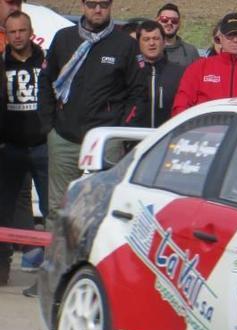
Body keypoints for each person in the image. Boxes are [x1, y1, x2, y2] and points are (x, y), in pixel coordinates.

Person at [38, 0, 146, 233]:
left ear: (111, 6)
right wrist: (49, 126)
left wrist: (119, 131)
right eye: (92, 4)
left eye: (103, 4)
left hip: (104, 142)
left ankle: (91, 267)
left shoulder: (125, 44)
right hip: (64, 137)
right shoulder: (63, 38)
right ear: (83, 5)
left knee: (100, 209)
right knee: (58, 209)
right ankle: (55, 265)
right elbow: (46, 81)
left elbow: (138, 92)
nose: (98, 9)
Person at [0, 10, 47, 291]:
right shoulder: (1, 64)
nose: (18, 36)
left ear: (31, 31)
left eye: (22, 30)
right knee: (3, 212)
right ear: (7, 34)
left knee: (52, 209)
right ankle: (2, 268)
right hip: (10, 146)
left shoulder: (46, 61)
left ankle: (51, 274)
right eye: (12, 31)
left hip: (42, 145)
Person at [137, 20, 184, 128]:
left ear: (164, 42)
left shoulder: (180, 73)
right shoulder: (131, 73)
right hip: (134, 139)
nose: (152, 43)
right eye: (146, 39)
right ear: (138, 43)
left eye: (156, 38)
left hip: (168, 138)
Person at [156, 3, 199, 67]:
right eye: (164, 19)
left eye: (174, 20)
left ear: (179, 24)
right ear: (157, 21)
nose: (169, 23)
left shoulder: (191, 51)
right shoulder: (149, 48)